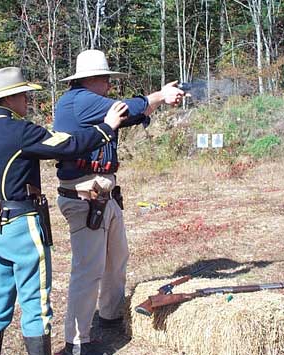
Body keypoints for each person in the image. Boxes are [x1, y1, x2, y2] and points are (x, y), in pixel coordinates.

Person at [0, 66, 129, 355]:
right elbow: (69, 146)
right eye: (24, 95)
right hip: (21, 225)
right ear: (10, 98)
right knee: (36, 307)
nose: (27, 100)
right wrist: (106, 127)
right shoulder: (21, 132)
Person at [53, 50, 185, 355]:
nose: (110, 85)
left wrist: (157, 102)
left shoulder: (89, 102)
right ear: (91, 79)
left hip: (103, 196)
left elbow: (133, 114)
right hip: (85, 197)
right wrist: (160, 96)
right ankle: (77, 340)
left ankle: (109, 315)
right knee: (88, 270)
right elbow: (125, 108)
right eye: (106, 79)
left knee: (116, 259)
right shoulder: (79, 99)